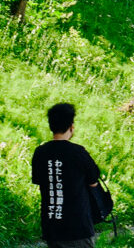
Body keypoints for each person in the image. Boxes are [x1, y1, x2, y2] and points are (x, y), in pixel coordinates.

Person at [31, 103, 102, 248]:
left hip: (52, 226)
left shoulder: (40, 152)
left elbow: (40, 181)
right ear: (71, 127)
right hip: (78, 227)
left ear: (51, 126)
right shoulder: (79, 153)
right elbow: (94, 183)